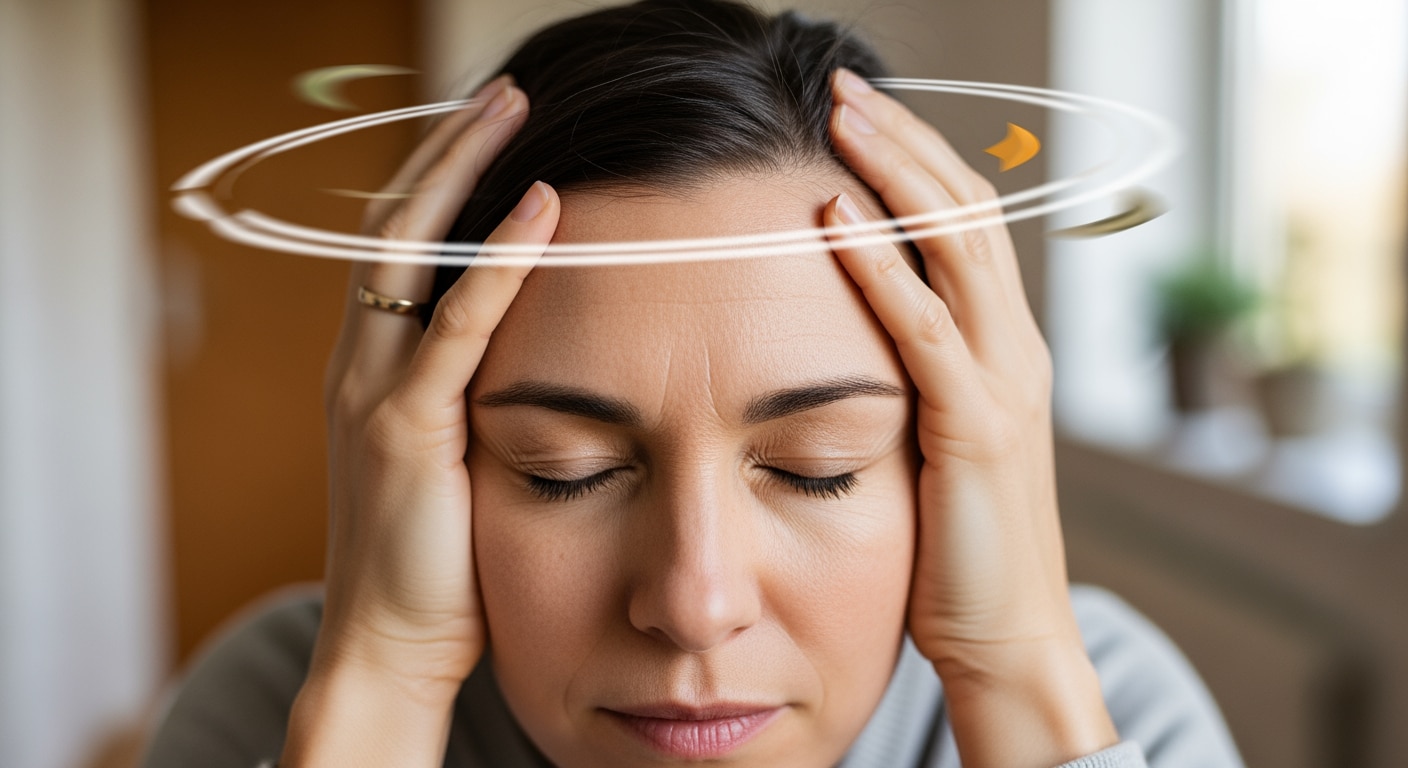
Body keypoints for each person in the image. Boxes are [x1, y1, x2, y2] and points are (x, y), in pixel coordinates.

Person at [140, 1, 1245, 766]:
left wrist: (1018, 682)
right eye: (562, 472)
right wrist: (381, 686)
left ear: (950, 450)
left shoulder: (1103, 696)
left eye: (819, 471)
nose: (694, 604)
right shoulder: (282, 701)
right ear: (420, 453)